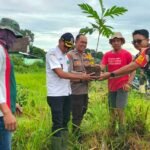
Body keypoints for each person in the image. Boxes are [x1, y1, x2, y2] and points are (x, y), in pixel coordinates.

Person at [46, 33, 95, 150]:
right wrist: (82, 77)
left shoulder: (65, 56)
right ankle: (57, 147)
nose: (66, 48)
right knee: (57, 123)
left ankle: (64, 146)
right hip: (55, 95)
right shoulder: (52, 53)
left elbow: (71, 72)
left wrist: (83, 74)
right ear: (60, 41)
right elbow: (61, 73)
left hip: (67, 93)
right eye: (65, 45)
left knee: (65, 120)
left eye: (69, 46)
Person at [100, 32, 135, 135]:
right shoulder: (107, 55)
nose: (116, 43)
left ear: (122, 42)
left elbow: (133, 69)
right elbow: (102, 66)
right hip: (111, 87)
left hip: (122, 86)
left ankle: (122, 134)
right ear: (111, 42)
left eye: (118, 41)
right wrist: (96, 68)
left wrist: (129, 83)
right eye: (114, 41)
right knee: (111, 111)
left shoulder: (127, 54)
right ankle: (111, 132)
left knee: (120, 111)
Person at [0, 17, 23, 150]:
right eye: (11, 34)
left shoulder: (3, 50)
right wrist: (6, 111)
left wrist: (12, 103)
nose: (13, 39)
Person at [67, 34, 92, 136]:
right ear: (76, 42)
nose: (84, 44)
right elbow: (68, 73)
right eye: (82, 42)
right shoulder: (70, 55)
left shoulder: (87, 56)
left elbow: (90, 69)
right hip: (75, 90)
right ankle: (76, 136)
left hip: (85, 90)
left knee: (83, 110)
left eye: (85, 42)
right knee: (77, 114)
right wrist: (82, 77)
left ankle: (76, 131)